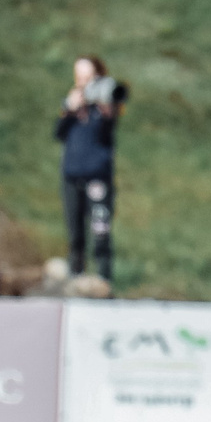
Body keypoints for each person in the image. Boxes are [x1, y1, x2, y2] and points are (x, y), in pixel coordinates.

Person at [53, 55, 127, 284]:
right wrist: (70, 108)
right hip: (72, 176)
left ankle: (104, 279)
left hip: (98, 177)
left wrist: (106, 108)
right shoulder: (74, 106)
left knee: (100, 231)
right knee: (75, 234)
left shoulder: (105, 107)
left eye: (88, 77)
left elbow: (109, 131)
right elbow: (58, 133)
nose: (84, 83)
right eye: (80, 77)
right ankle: (76, 277)